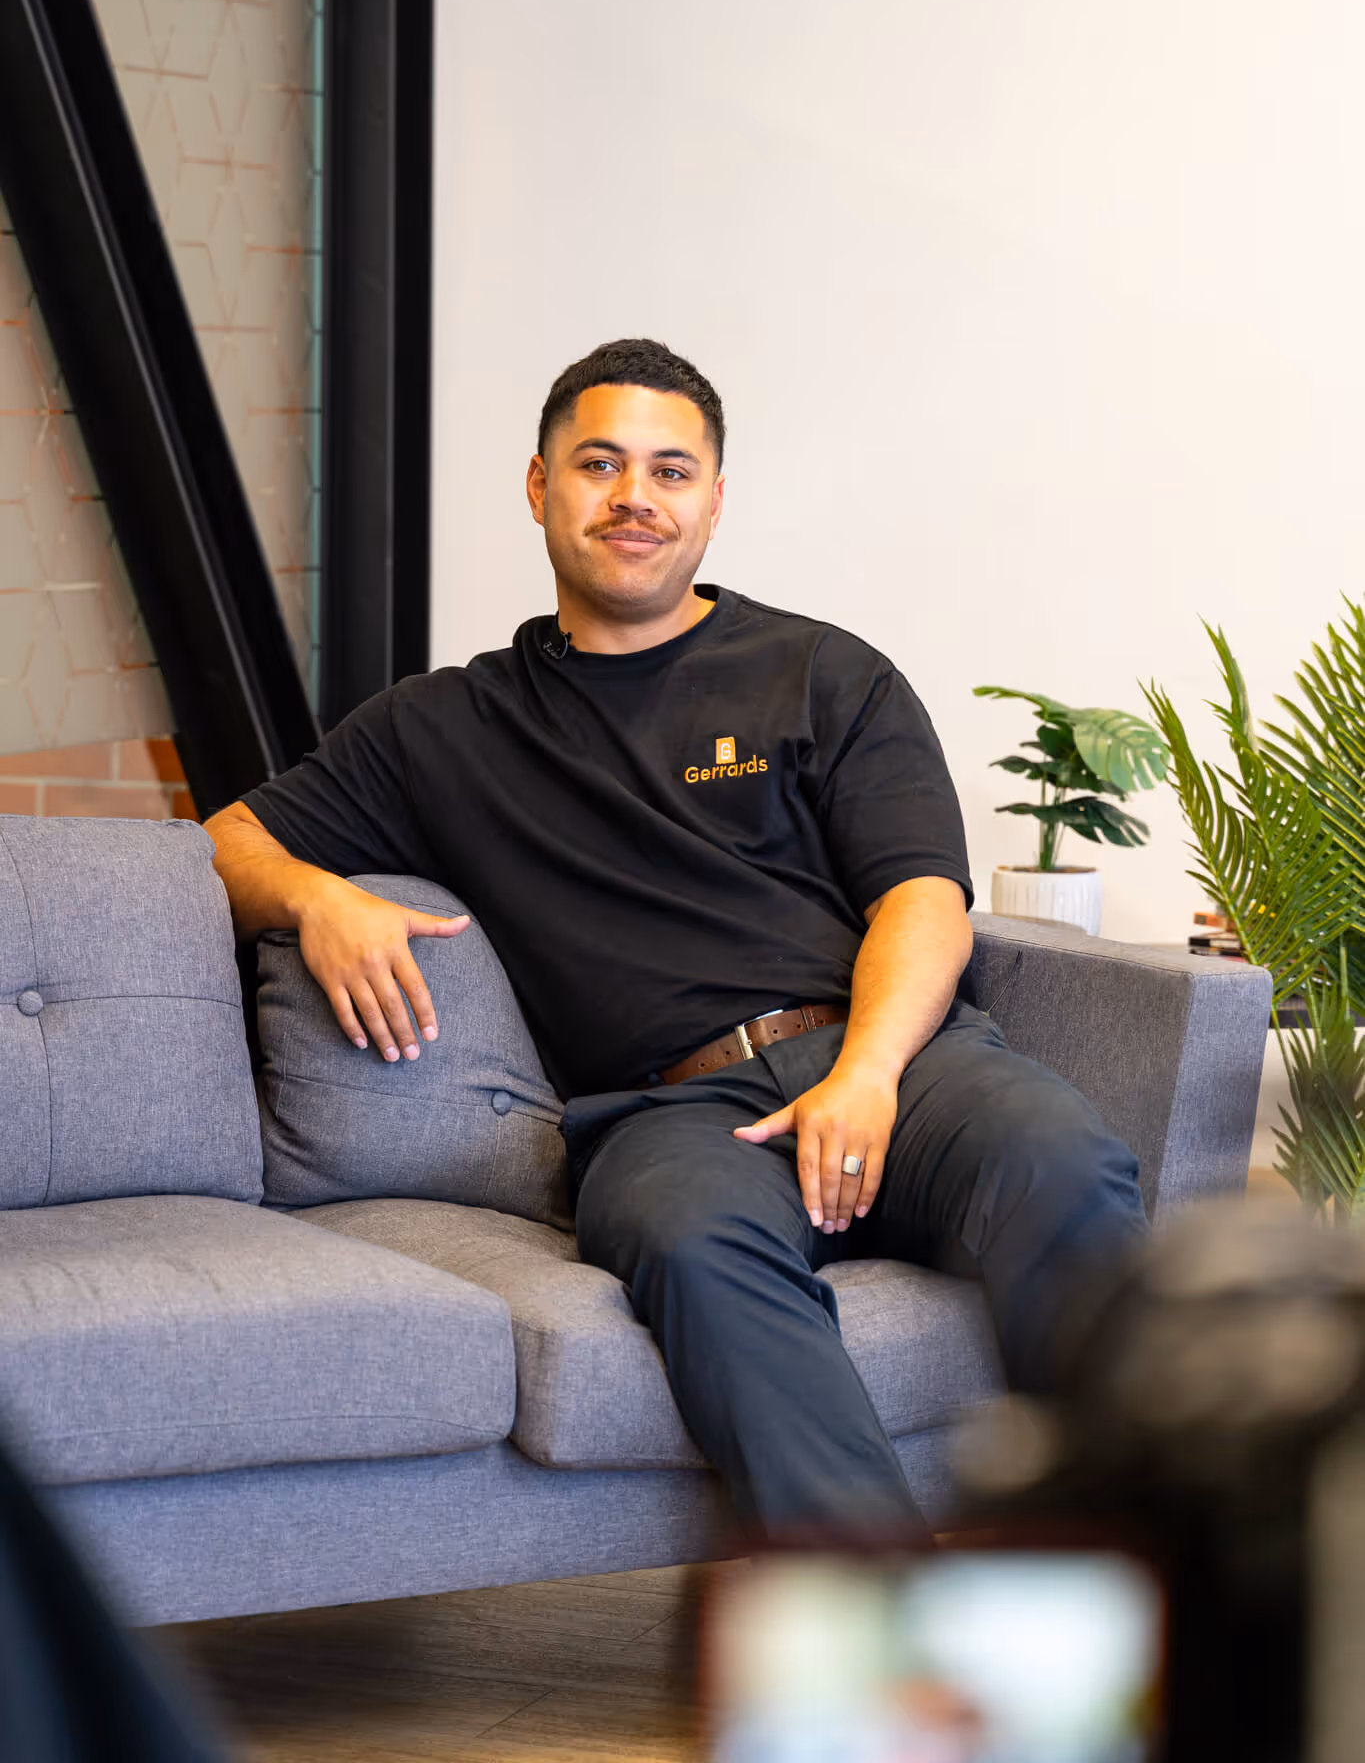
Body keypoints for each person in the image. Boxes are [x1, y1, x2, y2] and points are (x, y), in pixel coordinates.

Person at [207, 338, 1146, 1536]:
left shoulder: (823, 672)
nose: (635, 497)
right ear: (541, 487)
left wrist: (865, 1073)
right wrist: (314, 897)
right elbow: (225, 837)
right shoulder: (440, 726)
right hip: (667, 1116)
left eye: (671, 469)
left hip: (891, 1058)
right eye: (599, 464)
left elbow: (923, 896)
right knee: (693, 1246)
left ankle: (1151, 1573)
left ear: (714, 500)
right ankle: (885, 1644)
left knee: (1061, 1157)